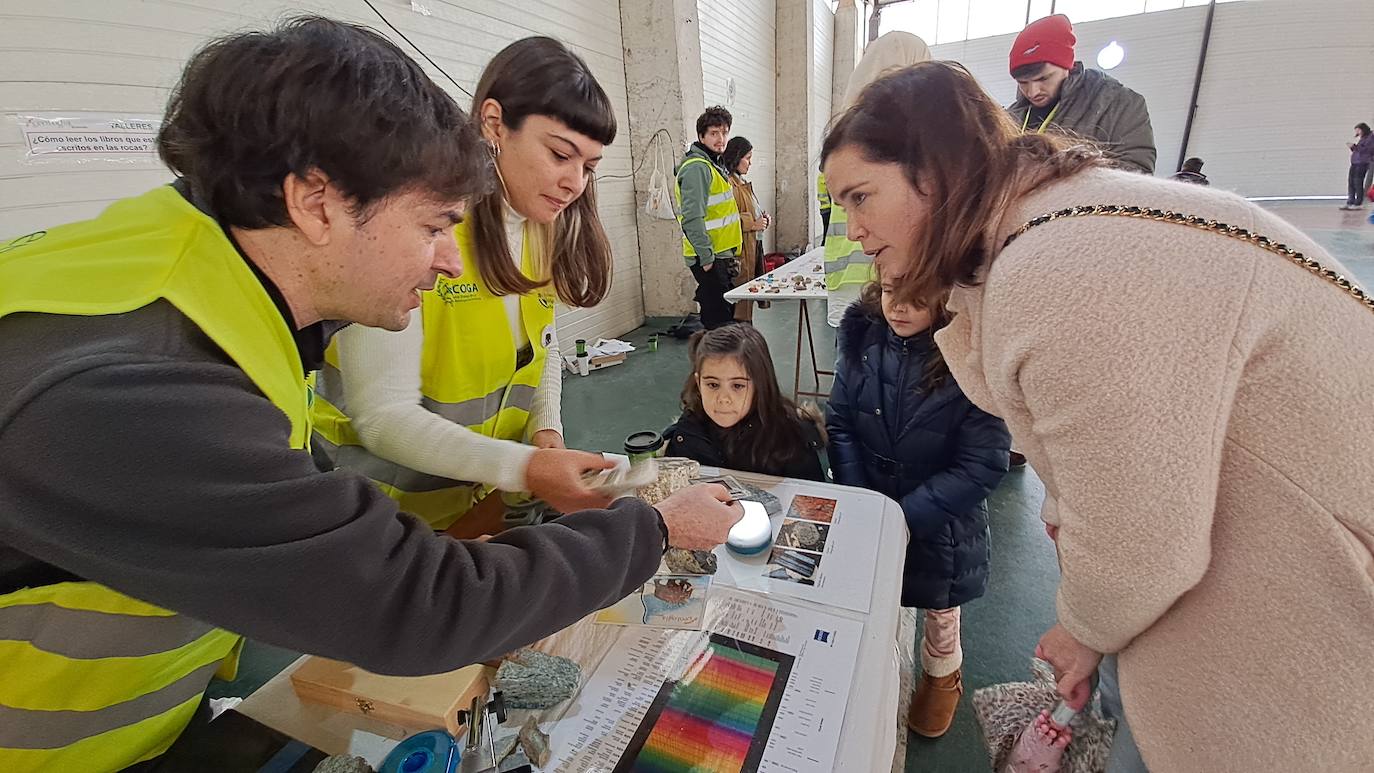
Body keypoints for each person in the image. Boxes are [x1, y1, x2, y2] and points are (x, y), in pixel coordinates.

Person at [0, 19, 742, 771]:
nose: (449, 257)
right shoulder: (140, 389)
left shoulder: (192, 285)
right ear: (316, 201)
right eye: (431, 225)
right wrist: (650, 531)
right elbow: (414, 600)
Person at [822, 60, 1374, 772]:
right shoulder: (1057, 222)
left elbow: (1145, 544)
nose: (854, 230)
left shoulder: (1056, 269)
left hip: (1315, 614)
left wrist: (1085, 624)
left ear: (934, 169)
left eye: (861, 196)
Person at [311, 37, 622, 532]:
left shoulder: (543, 225)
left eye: (588, 167)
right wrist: (524, 467)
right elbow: (381, 417)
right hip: (379, 517)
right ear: (495, 123)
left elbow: (541, 347)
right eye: (560, 155)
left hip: (477, 504)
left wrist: (546, 429)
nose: (574, 183)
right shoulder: (416, 231)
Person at [826, 270, 1010, 739]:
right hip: (874, 503)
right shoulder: (862, 342)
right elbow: (841, 422)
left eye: (916, 298)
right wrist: (864, 499)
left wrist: (905, 518)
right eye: (890, 293)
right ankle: (874, 672)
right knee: (873, 595)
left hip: (941, 522)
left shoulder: (966, 358)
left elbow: (983, 463)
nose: (899, 307)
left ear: (945, 299)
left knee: (939, 606)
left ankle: (941, 675)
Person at [824, 31, 931, 327]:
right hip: (878, 279)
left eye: (861, 198)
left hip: (888, 281)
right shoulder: (876, 142)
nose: (853, 230)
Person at [665, 325, 826, 481]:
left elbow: (812, 502)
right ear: (698, 383)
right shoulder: (687, 434)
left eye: (738, 386)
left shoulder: (791, 438)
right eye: (713, 385)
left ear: (760, 385)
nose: (723, 399)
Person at [1008, 14, 1156, 174]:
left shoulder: (1118, 105)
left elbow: (1137, 172)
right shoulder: (1010, 118)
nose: (1033, 91)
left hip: (1088, 199)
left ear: (1067, 65)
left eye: (1043, 78)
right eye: (1023, 83)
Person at [677, 106, 743, 329]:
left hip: (720, 255)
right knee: (720, 323)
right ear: (701, 136)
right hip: (709, 257)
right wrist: (706, 258)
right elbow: (692, 218)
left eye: (724, 132)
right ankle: (714, 362)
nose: (721, 138)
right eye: (714, 133)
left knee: (720, 316)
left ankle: (715, 360)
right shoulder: (697, 168)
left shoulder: (714, 165)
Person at [721, 136, 770, 323]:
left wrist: (763, 219)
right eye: (747, 158)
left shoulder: (741, 183)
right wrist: (752, 224)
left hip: (752, 247)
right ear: (737, 156)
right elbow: (725, 218)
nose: (750, 163)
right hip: (740, 251)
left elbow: (750, 209)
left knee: (747, 300)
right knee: (739, 307)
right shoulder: (728, 184)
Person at [1341, 122, 1373, 210]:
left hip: (1363, 163)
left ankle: (1358, 202)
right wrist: (1353, 148)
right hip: (1355, 162)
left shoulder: (1370, 138)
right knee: (1351, 182)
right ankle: (1350, 201)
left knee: (1358, 182)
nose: (1357, 132)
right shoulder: (1362, 138)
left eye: (1358, 130)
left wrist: (1355, 147)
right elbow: (1359, 150)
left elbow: (1367, 150)